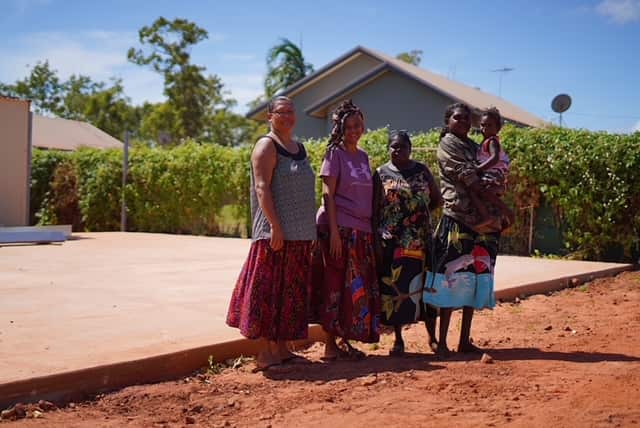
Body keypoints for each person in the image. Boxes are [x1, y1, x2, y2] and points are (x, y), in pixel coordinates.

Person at [226, 96, 316, 370]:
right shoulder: (266, 146)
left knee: (288, 293)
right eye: (281, 111)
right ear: (269, 116)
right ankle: (265, 353)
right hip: (274, 234)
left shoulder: (299, 148)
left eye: (291, 111)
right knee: (267, 291)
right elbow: (262, 188)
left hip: (299, 234)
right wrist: (275, 226)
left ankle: (283, 349)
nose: (287, 115)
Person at [423, 103, 501, 358]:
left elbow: (489, 174)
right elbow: (467, 176)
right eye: (458, 118)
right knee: (451, 280)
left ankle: (464, 340)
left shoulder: (473, 146)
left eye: (468, 118)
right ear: (448, 121)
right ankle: (442, 342)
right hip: (457, 219)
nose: (464, 122)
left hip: (479, 222)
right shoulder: (448, 144)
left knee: (474, 278)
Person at [311, 99, 380, 360]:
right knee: (334, 284)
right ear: (340, 128)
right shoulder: (334, 153)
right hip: (338, 228)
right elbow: (327, 194)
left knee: (354, 288)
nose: (354, 130)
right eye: (349, 126)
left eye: (358, 125)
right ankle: (329, 346)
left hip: (361, 231)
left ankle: (342, 342)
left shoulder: (363, 156)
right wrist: (335, 234)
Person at [373, 130, 442, 356]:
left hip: (421, 241)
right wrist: (378, 236)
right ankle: (399, 340)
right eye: (393, 146)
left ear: (410, 148)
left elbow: (437, 199)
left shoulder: (421, 170)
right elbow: (375, 209)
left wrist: (419, 217)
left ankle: (433, 338)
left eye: (402, 146)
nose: (397, 150)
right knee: (396, 289)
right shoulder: (381, 173)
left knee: (426, 289)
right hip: (393, 243)